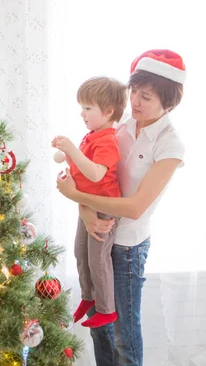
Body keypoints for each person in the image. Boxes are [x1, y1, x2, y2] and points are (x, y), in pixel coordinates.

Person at [56, 49, 186, 366]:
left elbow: (135, 207)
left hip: (127, 246)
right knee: (100, 327)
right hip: (99, 228)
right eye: (134, 93)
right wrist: (86, 212)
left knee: (124, 332)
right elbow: (94, 181)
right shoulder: (122, 124)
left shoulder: (171, 145)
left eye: (147, 97)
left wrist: (76, 198)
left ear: (168, 104)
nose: (136, 102)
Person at [52, 76, 128, 329]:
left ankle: (107, 309)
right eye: (82, 107)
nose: (82, 113)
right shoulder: (91, 137)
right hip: (86, 204)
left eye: (87, 108)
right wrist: (67, 158)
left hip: (103, 208)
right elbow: (83, 170)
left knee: (98, 259)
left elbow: (96, 174)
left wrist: (72, 151)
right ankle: (88, 297)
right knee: (80, 253)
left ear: (108, 111)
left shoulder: (108, 140)